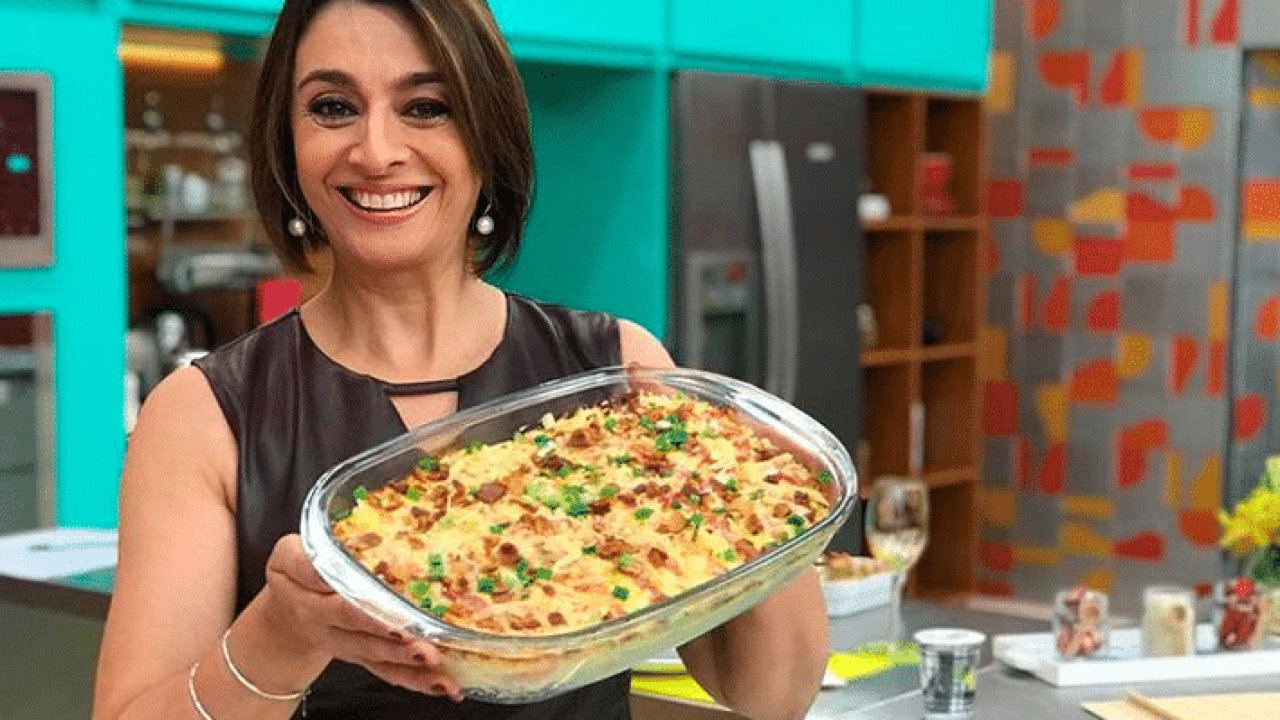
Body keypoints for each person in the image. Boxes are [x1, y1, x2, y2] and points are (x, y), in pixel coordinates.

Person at [91, 1, 829, 718]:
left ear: (487, 135)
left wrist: (741, 487)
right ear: (286, 144)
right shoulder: (205, 415)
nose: (376, 151)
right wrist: (277, 639)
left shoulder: (619, 372)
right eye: (332, 107)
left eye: (426, 107)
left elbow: (771, 694)